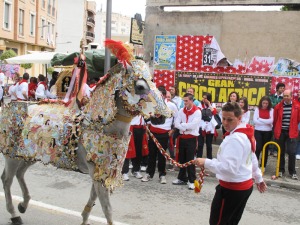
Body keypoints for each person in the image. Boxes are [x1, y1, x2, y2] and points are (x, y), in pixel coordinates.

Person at [194, 102, 267, 225]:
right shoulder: (245, 132)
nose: (226, 123)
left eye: (230, 120)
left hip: (232, 189)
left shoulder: (236, 139)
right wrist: (258, 178)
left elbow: (229, 169)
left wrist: (206, 162)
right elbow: (252, 156)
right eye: (223, 118)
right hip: (241, 187)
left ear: (239, 118)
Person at [142, 86, 178, 184]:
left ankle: (162, 174)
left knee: (162, 155)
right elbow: (147, 117)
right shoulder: (152, 104)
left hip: (164, 133)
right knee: (151, 154)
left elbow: (177, 119)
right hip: (153, 132)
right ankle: (149, 173)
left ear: (163, 95)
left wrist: (173, 130)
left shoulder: (171, 105)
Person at [172, 93, 201, 190]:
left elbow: (193, 125)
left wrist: (183, 126)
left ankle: (192, 180)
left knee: (190, 159)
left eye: (186, 101)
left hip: (191, 138)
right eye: (184, 101)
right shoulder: (181, 110)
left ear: (191, 101)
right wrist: (184, 127)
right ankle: (182, 178)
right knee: (182, 158)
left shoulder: (197, 112)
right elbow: (176, 123)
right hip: (182, 137)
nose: (184, 103)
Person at [273, 89, 299, 180]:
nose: (285, 97)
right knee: (281, 152)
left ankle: (292, 172)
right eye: (284, 96)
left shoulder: (297, 106)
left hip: (291, 132)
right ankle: (280, 170)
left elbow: (298, 119)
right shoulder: (278, 107)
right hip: (281, 132)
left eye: (287, 96)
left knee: (292, 152)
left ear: (291, 96)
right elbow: (275, 119)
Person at [122, 115, 148, 181]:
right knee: (127, 150)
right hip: (130, 126)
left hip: (140, 128)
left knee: (139, 150)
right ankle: (124, 172)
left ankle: (136, 170)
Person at [253, 96, 274, 168]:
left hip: (268, 131)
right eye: (263, 103)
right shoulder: (257, 109)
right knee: (258, 148)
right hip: (258, 130)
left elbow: (271, 121)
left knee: (265, 148)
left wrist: (260, 119)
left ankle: (263, 165)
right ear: (261, 103)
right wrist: (265, 121)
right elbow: (255, 121)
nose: (265, 105)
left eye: (266, 103)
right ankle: (255, 165)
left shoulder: (271, 110)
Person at [197, 92, 217, 159]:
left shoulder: (212, 104)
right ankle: (199, 157)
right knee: (200, 144)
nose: (204, 99)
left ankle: (209, 159)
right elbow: (198, 112)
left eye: (205, 98)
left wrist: (209, 104)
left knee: (209, 144)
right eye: (203, 98)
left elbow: (214, 112)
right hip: (201, 125)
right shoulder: (200, 104)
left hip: (209, 126)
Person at [269, 83, 285, 157]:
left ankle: (275, 150)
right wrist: (277, 105)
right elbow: (270, 105)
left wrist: (276, 105)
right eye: (281, 88)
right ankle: (270, 149)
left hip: (280, 118)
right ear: (277, 88)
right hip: (271, 117)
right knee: (271, 134)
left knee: (278, 134)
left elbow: (281, 106)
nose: (282, 89)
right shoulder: (271, 96)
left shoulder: (284, 98)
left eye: (283, 88)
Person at [296, 89, 300, 160]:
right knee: (297, 138)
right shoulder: (296, 101)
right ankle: (297, 152)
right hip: (297, 121)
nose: (299, 93)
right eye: (298, 92)